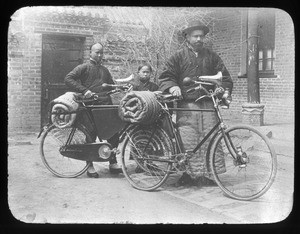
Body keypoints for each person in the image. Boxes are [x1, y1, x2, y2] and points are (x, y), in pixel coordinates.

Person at [158, 20, 233, 186]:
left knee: (211, 138)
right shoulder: (177, 57)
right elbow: (166, 76)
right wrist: (173, 87)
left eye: (201, 36)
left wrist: (222, 90)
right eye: (195, 36)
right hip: (187, 105)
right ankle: (187, 174)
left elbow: (225, 77)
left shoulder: (212, 56)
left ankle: (208, 174)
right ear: (187, 38)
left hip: (208, 105)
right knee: (187, 139)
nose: (199, 39)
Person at [65, 42, 123, 178]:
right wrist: (85, 91)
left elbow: (110, 86)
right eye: (96, 52)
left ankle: (112, 162)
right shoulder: (83, 67)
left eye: (101, 52)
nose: (99, 55)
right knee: (91, 134)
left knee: (113, 133)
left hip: (105, 105)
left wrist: (118, 88)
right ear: (90, 52)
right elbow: (68, 79)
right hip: (89, 106)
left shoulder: (105, 70)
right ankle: (89, 165)